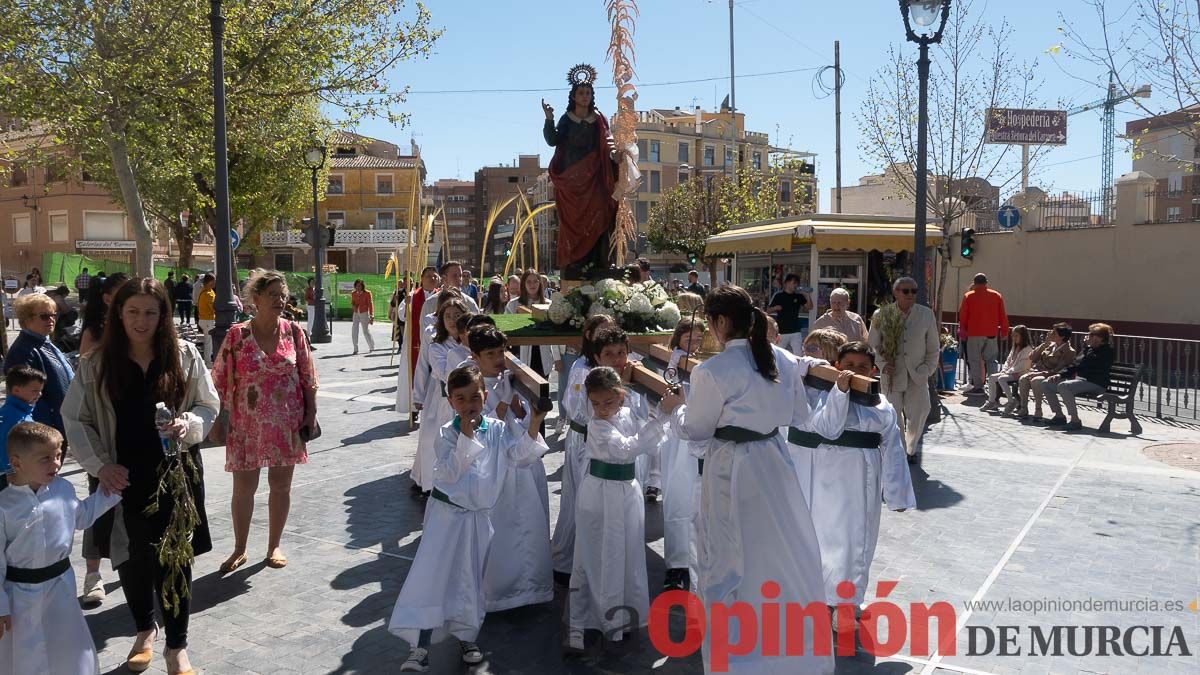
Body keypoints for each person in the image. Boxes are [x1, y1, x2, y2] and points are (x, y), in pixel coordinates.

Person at [669, 285, 847, 674]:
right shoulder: (782, 359)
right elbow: (799, 415)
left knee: (730, 555)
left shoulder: (711, 370)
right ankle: (790, 648)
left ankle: (740, 652)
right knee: (780, 550)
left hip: (731, 469)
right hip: (774, 463)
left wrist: (676, 410)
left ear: (719, 322)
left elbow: (697, 429)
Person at [61, 276, 219, 675]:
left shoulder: (183, 354)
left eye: (151, 312)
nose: (141, 321)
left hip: (175, 475)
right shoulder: (96, 362)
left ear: (163, 314)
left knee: (175, 559)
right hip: (119, 478)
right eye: (132, 311)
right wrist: (100, 466)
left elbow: (208, 404)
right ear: (118, 313)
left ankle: (177, 646)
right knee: (129, 558)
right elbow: (74, 419)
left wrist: (189, 425)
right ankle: (143, 631)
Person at [390, 364, 549, 672]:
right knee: (433, 576)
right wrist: (465, 437)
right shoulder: (446, 434)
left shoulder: (498, 430)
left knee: (470, 578)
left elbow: (519, 457)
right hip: (446, 518)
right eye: (460, 399)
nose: (468, 404)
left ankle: (467, 636)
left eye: (474, 397)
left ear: (485, 396)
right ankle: (419, 646)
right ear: (451, 403)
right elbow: (448, 471)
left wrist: (535, 424)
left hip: (477, 519)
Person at [790, 342, 915, 621]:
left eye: (862, 367)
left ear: (872, 371)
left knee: (856, 542)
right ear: (837, 367)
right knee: (821, 540)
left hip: (860, 480)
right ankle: (821, 598)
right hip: (821, 476)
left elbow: (893, 448)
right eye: (848, 366)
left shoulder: (882, 405)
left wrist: (897, 494)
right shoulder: (817, 396)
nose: (855, 371)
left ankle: (846, 603)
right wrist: (840, 391)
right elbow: (828, 428)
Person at [211, 270, 318, 574]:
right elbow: (218, 378)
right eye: (273, 295)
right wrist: (219, 419)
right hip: (246, 424)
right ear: (255, 299)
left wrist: (311, 414)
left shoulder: (295, 332)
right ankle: (240, 548)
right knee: (243, 489)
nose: (280, 300)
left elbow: (308, 377)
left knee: (281, 486)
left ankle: (274, 545)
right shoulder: (237, 335)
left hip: (287, 423)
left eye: (282, 295)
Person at [565, 366, 675, 652]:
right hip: (599, 496)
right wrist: (660, 415)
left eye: (608, 402)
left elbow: (651, 444)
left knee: (624, 553)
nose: (602, 409)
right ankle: (579, 621)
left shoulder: (627, 416)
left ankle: (619, 618)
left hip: (626, 494)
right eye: (596, 403)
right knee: (591, 554)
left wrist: (659, 414)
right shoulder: (597, 426)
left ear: (622, 397)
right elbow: (626, 449)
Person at [0, 422, 121, 674]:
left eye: (58, 456)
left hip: (61, 589)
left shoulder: (62, 489)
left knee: (68, 649)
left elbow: (82, 516)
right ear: (17, 462)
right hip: (18, 595)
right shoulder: (4, 503)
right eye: (45, 459)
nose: (55, 464)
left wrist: (111, 491)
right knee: (24, 653)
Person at [464, 325, 554, 612]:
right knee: (503, 529)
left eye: (501, 351)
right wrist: (502, 403)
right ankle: (500, 592)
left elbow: (525, 413)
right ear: (475, 356)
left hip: (522, 456)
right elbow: (481, 426)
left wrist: (521, 410)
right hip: (496, 465)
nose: (498, 358)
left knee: (529, 520)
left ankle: (532, 588)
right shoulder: (473, 386)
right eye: (490, 353)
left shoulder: (514, 378)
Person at [550, 314, 614, 583]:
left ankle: (593, 559)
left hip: (598, 439)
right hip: (583, 440)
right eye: (600, 332)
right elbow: (574, 406)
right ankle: (568, 560)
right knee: (579, 500)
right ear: (588, 336)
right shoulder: (582, 368)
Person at [542, 74, 621, 279]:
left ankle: (599, 261)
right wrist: (549, 118)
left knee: (599, 214)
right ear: (574, 96)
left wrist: (615, 155)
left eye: (588, 93)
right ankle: (576, 262)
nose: (585, 96)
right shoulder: (567, 119)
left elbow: (607, 141)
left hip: (594, 176)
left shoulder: (599, 118)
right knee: (573, 221)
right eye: (581, 93)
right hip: (572, 179)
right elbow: (553, 140)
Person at [868, 277, 941, 461]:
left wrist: (927, 369)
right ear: (896, 292)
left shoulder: (926, 314)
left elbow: (933, 347)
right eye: (906, 291)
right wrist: (883, 365)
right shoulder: (881, 314)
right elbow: (872, 346)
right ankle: (899, 450)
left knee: (920, 410)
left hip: (918, 374)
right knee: (893, 413)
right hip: (892, 374)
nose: (910, 295)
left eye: (914, 291)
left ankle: (910, 447)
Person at [659, 317, 705, 592]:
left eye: (699, 340)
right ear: (678, 339)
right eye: (689, 340)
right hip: (678, 438)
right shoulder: (672, 361)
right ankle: (676, 564)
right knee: (677, 497)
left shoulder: (705, 362)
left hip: (699, 435)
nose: (694, 345)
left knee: (695, 500)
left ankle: (694, 560)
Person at [412, 299, 471, 494]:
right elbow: (445, 374)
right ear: (441, 320)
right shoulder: (436, 345)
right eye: (448, 316)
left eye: (457, 315)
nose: (453, 320)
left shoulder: (472, 343)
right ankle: (433, 483)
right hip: (442, 399)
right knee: (434, 440)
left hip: (470, 401)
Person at [2, 295, 74, 440]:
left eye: (54, 315)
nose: (51, 319)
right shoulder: (23, 351)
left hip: (59, 425)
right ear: (27, 319)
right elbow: (27, 396)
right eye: (44, 316)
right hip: (44, 432)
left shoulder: (43, 342)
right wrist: (47, 429)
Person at [1043, 323, 1115, 431]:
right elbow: (1075, 365)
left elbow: (1093, 364)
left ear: (1099, 338)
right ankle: (1059, 416)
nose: (1088, 337)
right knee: (1047, 384)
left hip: (1097, 383)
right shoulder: (1089, 349)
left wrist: (1087, 349)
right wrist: (1059, 374)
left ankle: (1075, 420)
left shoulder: (1107, 351)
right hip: (1083, 382)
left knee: (1064, 386)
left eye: (1091, 335)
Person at [958, 273, 1010, 394]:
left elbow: (963, 316)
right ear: (986, 283)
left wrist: (963, 329)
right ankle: (994, 385)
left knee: (975, 360)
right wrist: (1004, 331)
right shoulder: (996, 296)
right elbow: (1003, 315)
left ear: (974, 283)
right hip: (991, 333)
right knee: (992, 360)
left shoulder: (968, 296)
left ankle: (978, 387)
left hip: (974, 333)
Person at [1016, 323, 1077, 422]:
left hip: (1052, 375)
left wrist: (1040, 374)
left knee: (1036, 380)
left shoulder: (1069, 351)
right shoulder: (1049, 345)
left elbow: (1058, 369)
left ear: (1062, 336)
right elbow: (1032, 357)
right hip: (1038, 371)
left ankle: (1038, 410)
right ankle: (1023, 408)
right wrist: (1044, 343)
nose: (1050, 334)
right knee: (1023, 378)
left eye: (1054, 333)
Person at [506, 270, 561, 377]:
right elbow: (506, 330)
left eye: (535, 281)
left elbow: (553, 333)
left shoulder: (549, 305)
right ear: (523, 284)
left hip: (543, 355)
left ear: (540, 283)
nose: (532, 285)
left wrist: (557, 358)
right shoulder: (513, 305)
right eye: (529, 282)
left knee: (542, 390)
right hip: (520, 353)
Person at [0, 365, 45, 486]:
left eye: (41, 390)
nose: (39, 394)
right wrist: (12, 474)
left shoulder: (22, 412)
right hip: (10, 477)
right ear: (16, 390)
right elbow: (4, 446)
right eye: (35, 391)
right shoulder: (11, 416)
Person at [982, 325, 1034, 413]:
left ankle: (1011, 401)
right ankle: (992, 401)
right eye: (1013, 336)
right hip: (1009, 372)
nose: (1014, 338)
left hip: (1020, 373)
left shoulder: (1028, 349)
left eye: (1016, 336)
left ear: (1023, 336)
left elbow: (1022, 366)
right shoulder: (1015, 347)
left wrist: (1008, 372)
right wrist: (1004, 370)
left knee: (1002, 379)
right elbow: (1008, 360)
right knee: (991, 378)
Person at [79, 272, 130, 356]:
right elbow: (85, 367)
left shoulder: (136, 327)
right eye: (123, 296)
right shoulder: (94, 334)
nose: (131, 300)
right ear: (107, 299)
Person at [766, 273, 812, 356]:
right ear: (787, 283)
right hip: (782, 331)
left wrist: (807, 296)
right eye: (794, 283)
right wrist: (775, 308)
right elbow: (767, 311)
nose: (796, 285)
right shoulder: (778, 295)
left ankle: (799, 369)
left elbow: (809, 307)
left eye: (797, 283)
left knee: (798, 354)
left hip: (795, 330)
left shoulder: (798, 296)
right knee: (778, 354)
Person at [349, 279, 376, 355]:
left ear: (362, 286)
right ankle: (355, 348)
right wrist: (354, 305)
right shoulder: (353, 293)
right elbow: (353, 302)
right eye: (356, 286)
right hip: (356, 313)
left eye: (359, 286)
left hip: (364, 313)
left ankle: (371, 346)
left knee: (365, 331)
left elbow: (370, 304)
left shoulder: (367, 293)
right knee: (354, 330)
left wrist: (371, 315)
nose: (358, 287)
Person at [196, 274, 216, 363]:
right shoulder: (208, 294)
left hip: (204, 320)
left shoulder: (205, 290)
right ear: (210, 282)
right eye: (214, 281)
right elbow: (214, 307)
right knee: (208, 342)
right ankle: (207, 361)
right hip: (208, 320)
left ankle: (208, 359)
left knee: (208, 341)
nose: (215, 283)